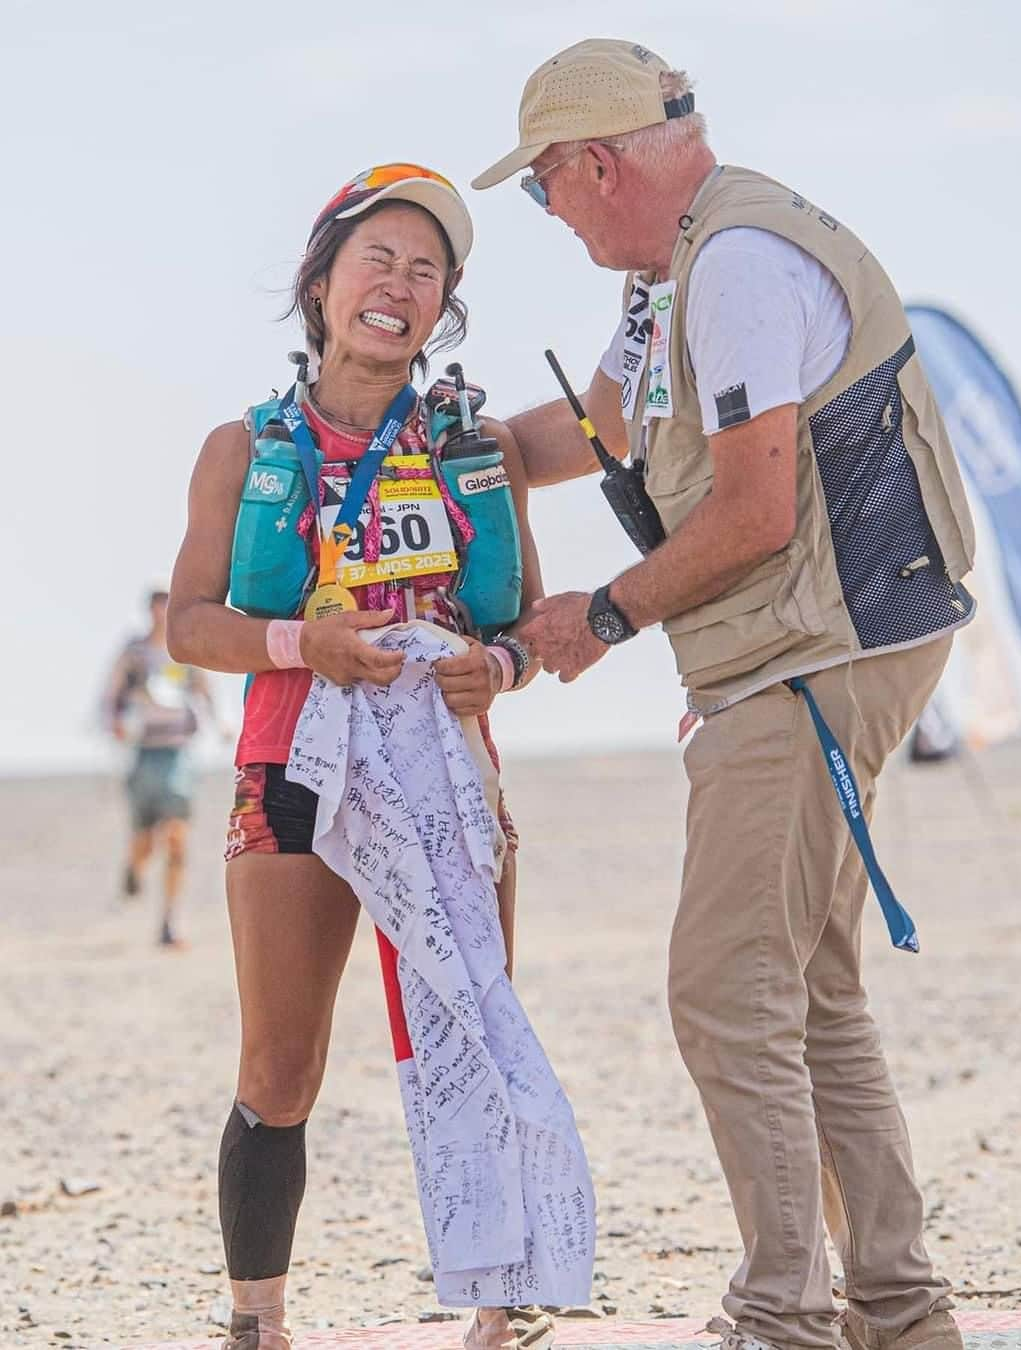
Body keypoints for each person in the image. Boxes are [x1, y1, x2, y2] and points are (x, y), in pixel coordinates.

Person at [473, 39, 977, 1350]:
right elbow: (586, 434)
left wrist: (600, 615)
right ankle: (899, 1310)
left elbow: (753, 513)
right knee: (807, 987)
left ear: (592, 164)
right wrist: (431, 444)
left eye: (541, 189)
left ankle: (784, 1313)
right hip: (810, 647)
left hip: (813, 651)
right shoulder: (674, 273)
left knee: (723, 985)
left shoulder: (738, 268)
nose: (550, 214)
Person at [167, 164, 554, 1350]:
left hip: (448, 779)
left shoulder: (475, 446)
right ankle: (258, 1321)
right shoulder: (246, 445)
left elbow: (525, 620)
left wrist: (506, 669)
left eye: (427, 271)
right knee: (281, 1066)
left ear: (444, 309)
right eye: (377, 259)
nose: (400, 285)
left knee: (471, 1034)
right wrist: (302, 642)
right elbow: (188, 624)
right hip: (291, 771)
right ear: (323, 281)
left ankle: (502, 1311)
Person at [103, 586, 217, 948]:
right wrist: (115, 723)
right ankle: (134, 869)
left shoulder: (185, 651)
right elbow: (110, 695)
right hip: (144, 752)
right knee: (145, 840)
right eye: (157, 606)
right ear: (149, 610)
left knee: (177, 839)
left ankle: (169, 921)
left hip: (178, 752)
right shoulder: (134, 653)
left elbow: (205, 690)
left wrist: (222, 724)